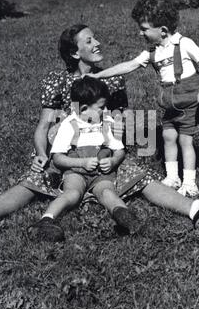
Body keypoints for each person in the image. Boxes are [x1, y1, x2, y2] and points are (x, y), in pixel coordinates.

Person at [0, 24, 199, 239]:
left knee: (141, 175)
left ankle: (198, 210)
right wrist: (42, 154)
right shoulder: (55, 80)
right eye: (89, 40)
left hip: (105, 152)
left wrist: (114, 136)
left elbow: (121, 122)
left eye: (95, 38)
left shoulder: (114, 80)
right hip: (65, 155)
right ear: (74, 52)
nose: (98, 43)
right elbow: (44, 125)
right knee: (33, 177)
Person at [91, 0, 199, 197]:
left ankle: (190, 182)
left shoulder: (184, 43)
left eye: (144, 29)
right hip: (168, 101)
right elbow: (128, 65)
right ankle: (173, 177)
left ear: (163, 30)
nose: (141, 33)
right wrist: (97, 75)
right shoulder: (152, 52)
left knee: (185, 140)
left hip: (189, 99)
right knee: (167, 136)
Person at [29, 77, 137, 242]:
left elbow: (119, 150)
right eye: (101, 107)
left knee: (107, 192)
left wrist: (114, 161)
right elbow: (58, 158)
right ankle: (46, 221)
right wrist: (81, 163)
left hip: (101, 173)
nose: (106, 109)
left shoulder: (107, 121)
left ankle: (125, 217)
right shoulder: (69, 124)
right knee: (72, 192)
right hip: (76, 171)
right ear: (85, 109)